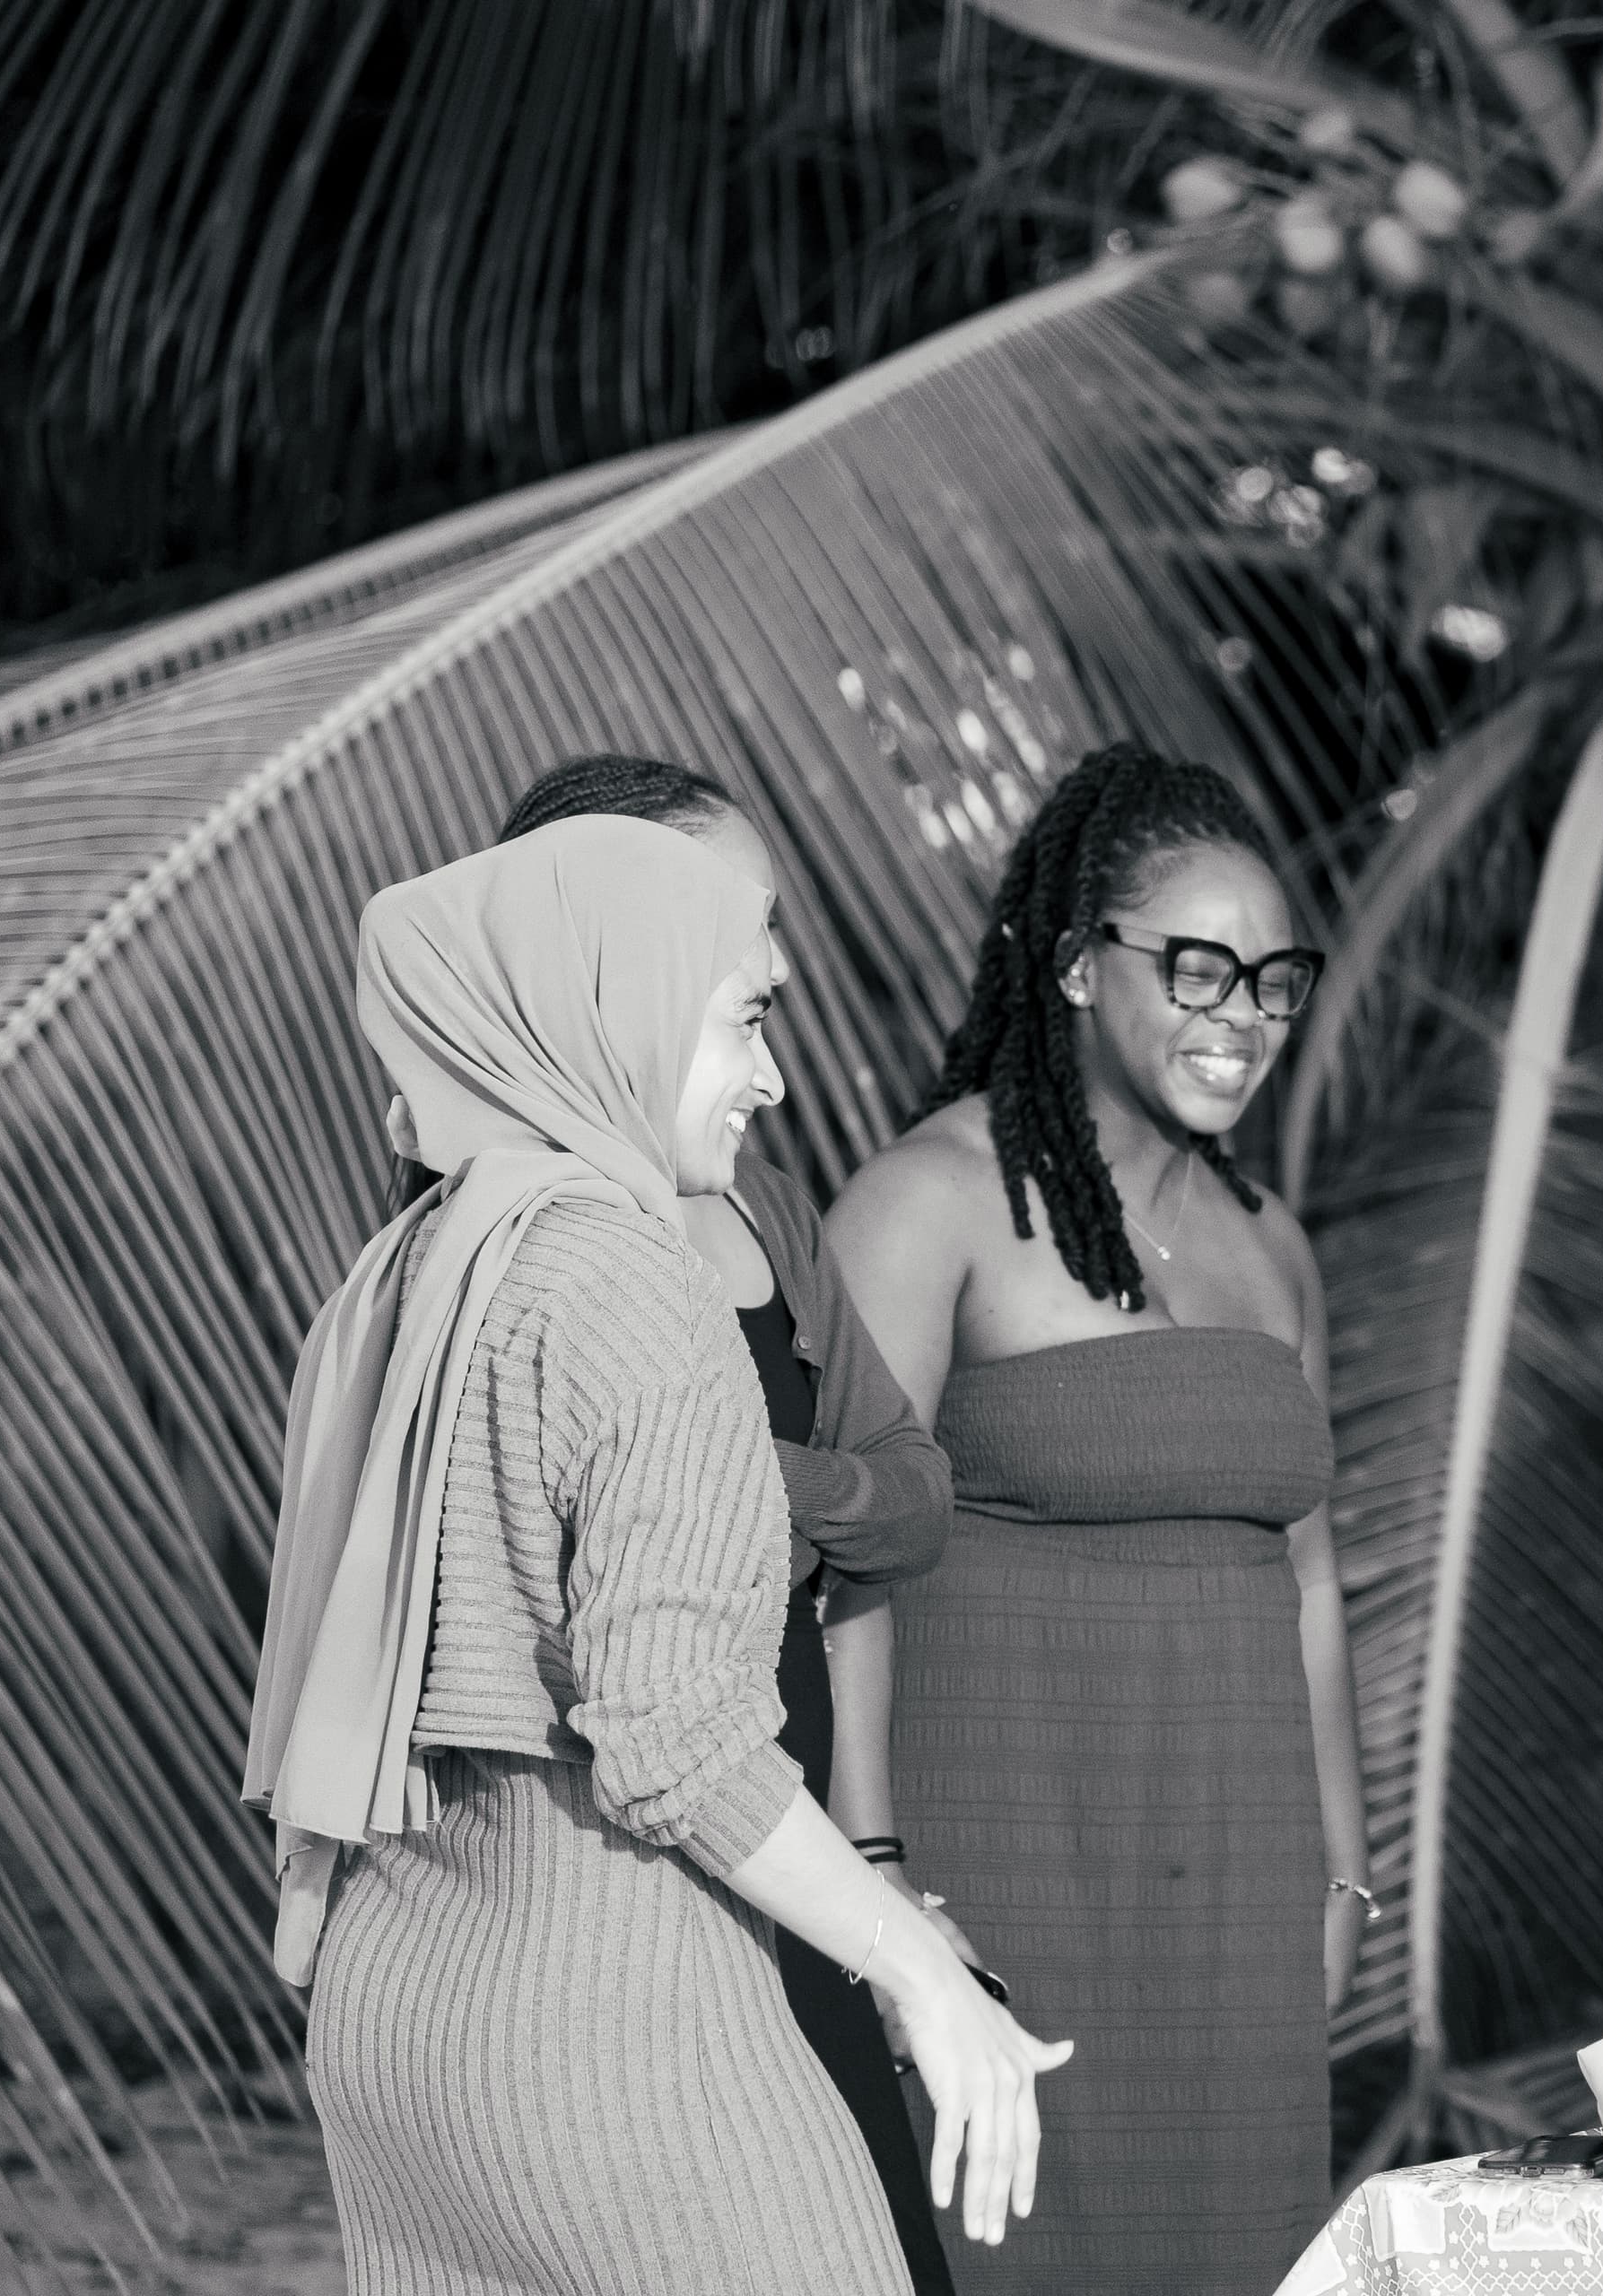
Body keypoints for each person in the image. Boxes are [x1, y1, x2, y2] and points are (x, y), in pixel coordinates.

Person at [243, 816, 1069, 2295]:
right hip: (622, 2027)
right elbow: (674, 1732)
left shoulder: (420, 1262)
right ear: (619, 1004)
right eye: (745, 1016)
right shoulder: (636, 1279)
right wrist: (923, 1968)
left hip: (403, 2034)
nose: (774, 1074)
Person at [827, 744, 1367, 2294]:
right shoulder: (928, 1202)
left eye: (1274, 981)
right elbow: (836, 1564)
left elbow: (1311, 1577)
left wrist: (1341, 1871)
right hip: (1001, 1875)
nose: (1241, 1017)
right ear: (1074, 964)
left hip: (1242, 1894)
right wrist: (879, 1884)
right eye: (1199, 969)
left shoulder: (1276, 1247)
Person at [466, 755, 969, 2295]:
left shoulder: (758, 1213)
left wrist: (740, 1477)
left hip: (783, 1832)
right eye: (737, 979)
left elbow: (912, 1498)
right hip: (622, 1893)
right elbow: (642, 1703)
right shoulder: (535, 1258)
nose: (775, 1056)